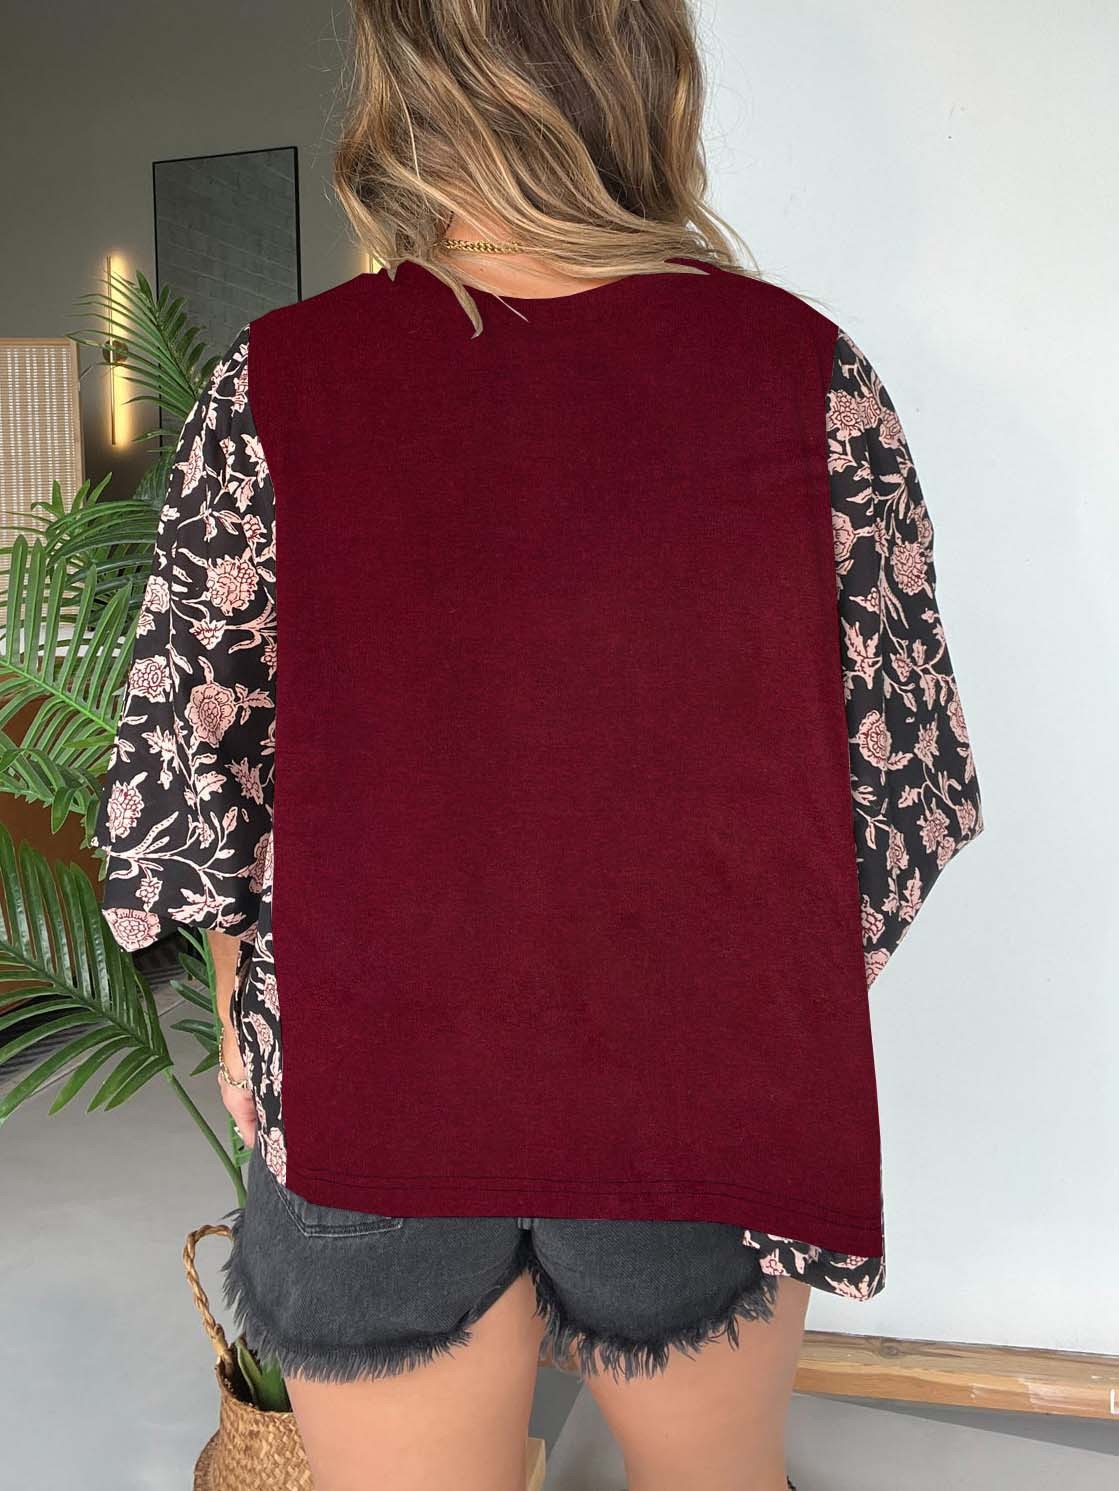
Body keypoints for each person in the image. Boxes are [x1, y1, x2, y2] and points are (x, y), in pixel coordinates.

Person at [90, 2, 985, 1488]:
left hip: (372, 1091)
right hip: (695, 1104)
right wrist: (753, 1004)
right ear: (649, 79)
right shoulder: (805, 374)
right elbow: (899, 798)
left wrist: (258, 1026)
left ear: (412, 90)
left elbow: (195, 782)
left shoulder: (281, 383)